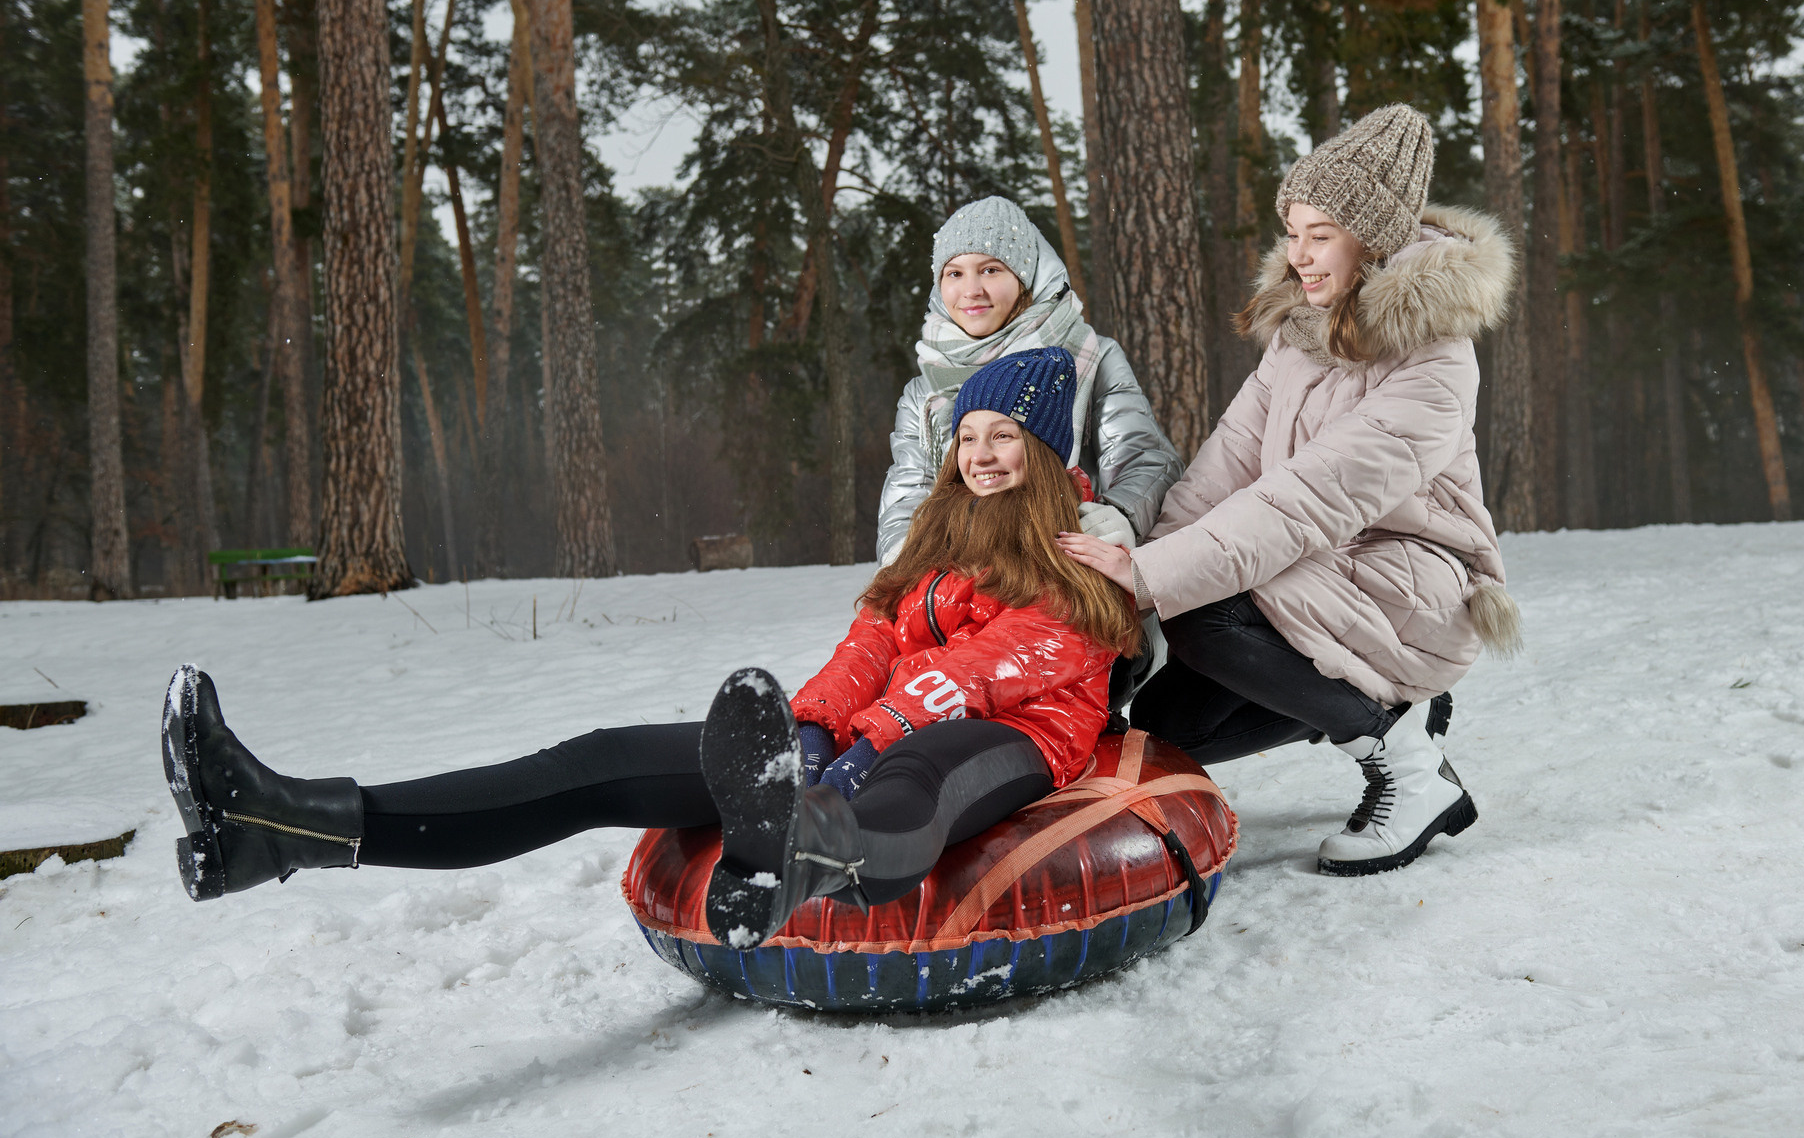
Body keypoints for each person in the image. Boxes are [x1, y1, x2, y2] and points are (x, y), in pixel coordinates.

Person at [163, 349, 1142, 950]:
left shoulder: (1080, 548)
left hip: (1014, 737)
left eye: (1003, 434)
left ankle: (804, 853)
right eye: (968, 435)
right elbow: (871, 641)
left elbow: (986, 669)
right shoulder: (935, 543)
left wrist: (864, 744)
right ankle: (284, 824)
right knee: (598, 760)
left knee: (914, 771)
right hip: (876, 726)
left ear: (1043, 451)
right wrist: (809, 729)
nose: (980, 453)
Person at [1058, 103, 1521, 878]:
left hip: (1414, 584)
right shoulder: (1301, 335)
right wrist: (1135, 584)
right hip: (1318, 572)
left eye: (1321, 234)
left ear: (1372, 237)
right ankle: (1380, 700)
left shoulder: (1437, 362)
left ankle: (1408, 766)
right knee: (1169, 726)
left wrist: (1155, 579)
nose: (1298, 254)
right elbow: (1225, 468)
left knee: (1204, 607)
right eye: (1293, 231)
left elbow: (1306, 499)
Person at [879, 196, 1181, 565]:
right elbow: (908, 493)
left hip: (1068, 564)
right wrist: (902, 559)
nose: (972, 290)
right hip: (962, 572)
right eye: (954, 273)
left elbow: (1144, 459)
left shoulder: (1091, 355)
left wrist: (1119, 515)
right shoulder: (925, 389)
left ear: (1026, 276)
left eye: (991, 270)